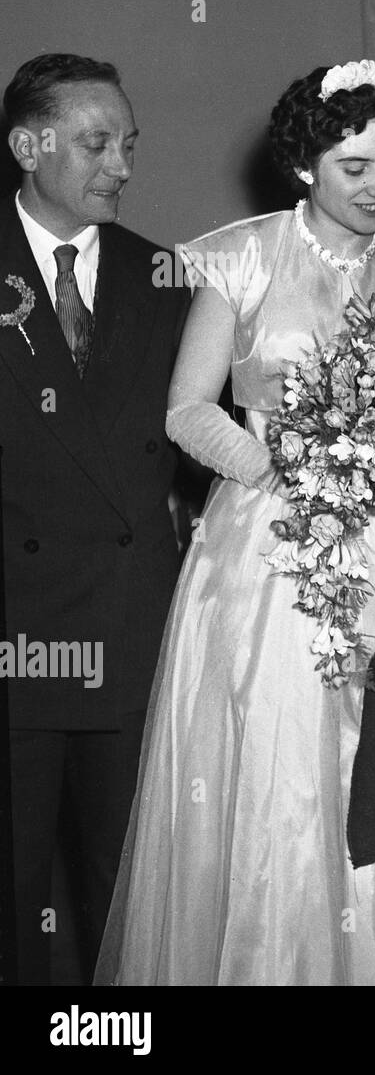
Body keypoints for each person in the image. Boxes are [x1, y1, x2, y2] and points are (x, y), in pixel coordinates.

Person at [95, 61, 375, 985]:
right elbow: (188, 410)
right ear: (305, 165)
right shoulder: (242, 256)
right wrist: (280, 467)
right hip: (267, 546)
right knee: (280, 782)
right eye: (355, 167)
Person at [1, 53, 188, 984]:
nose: (120, 163)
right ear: (28, 147)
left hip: (128, 636)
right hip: (14, 643)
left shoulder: (165, 277)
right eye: (96, 142)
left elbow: (202, 441)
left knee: (125, 893)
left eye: (127, 143)